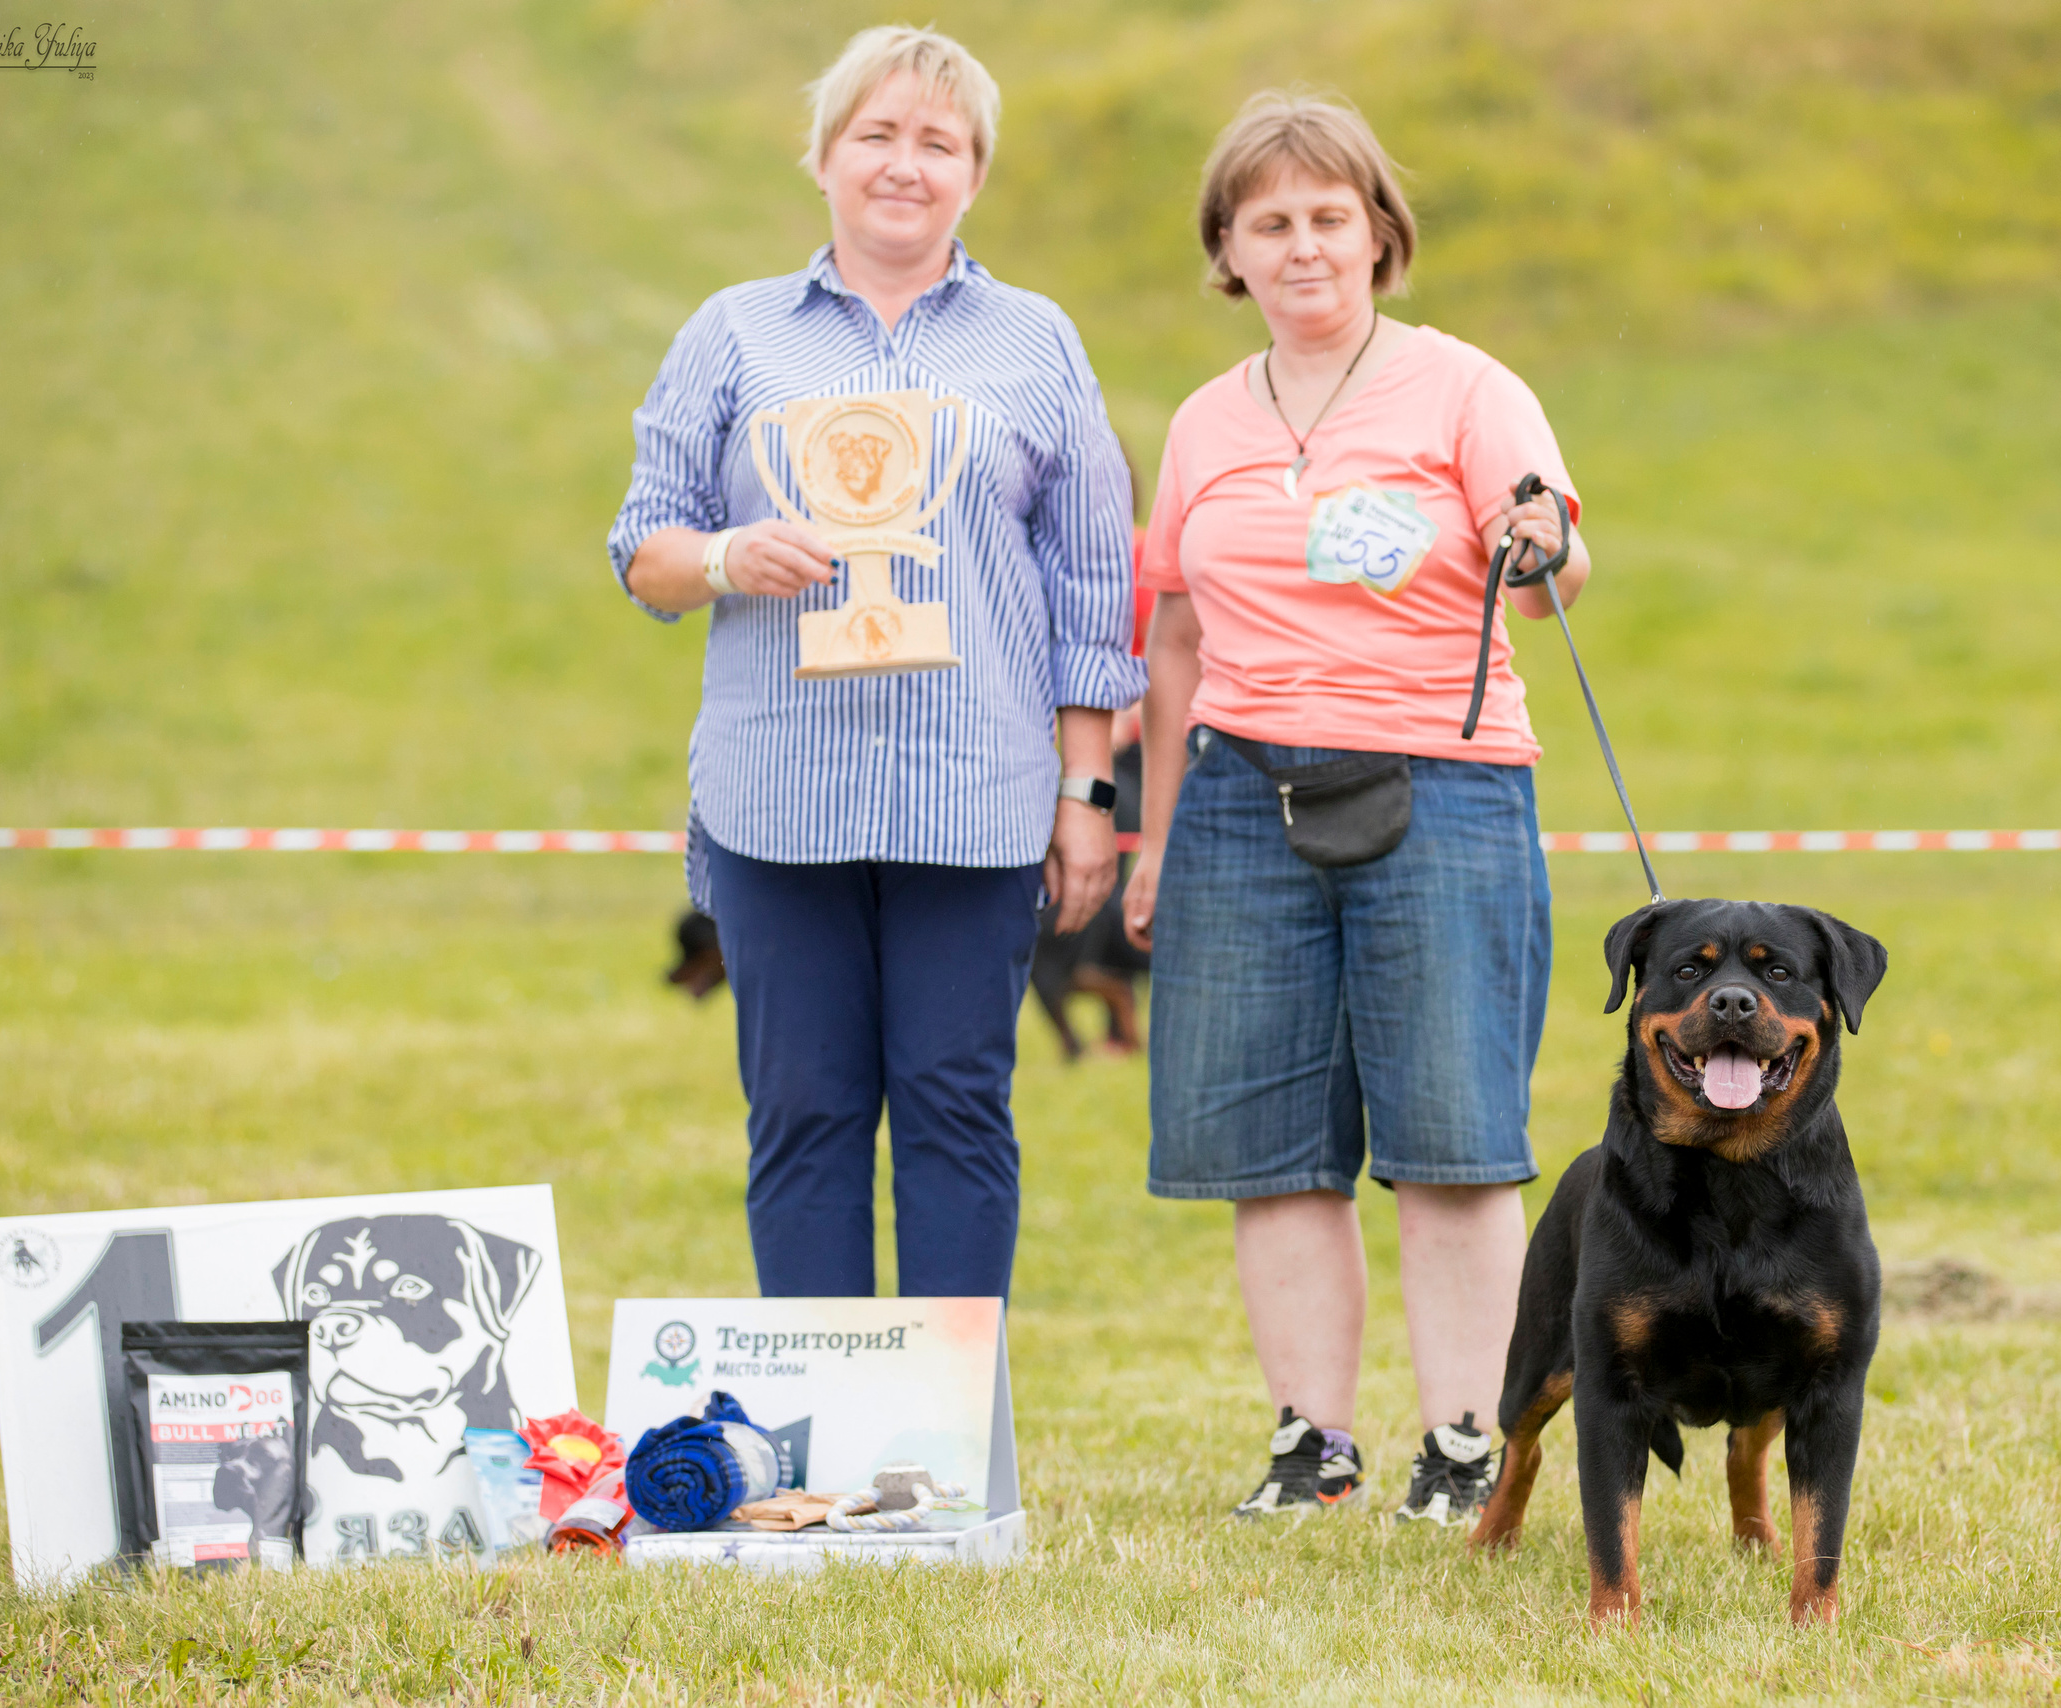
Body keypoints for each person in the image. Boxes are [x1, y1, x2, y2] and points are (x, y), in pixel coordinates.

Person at [607, 27, 1144, 1300]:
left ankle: (945, 1451)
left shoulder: (1034, 340)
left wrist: (1086, 794)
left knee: (959, 1114)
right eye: (877, 136)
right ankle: (821, 1446)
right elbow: (645, 550)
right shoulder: (733, 334)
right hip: (776, 800)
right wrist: (733, 556)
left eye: (938, 144)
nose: (904, 164)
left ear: (973, 174)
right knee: (801, 1115)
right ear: (824, 156)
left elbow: (1088, 585)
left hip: (976, 798)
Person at [1123, 92, 1594, 1527]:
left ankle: (1465, 1447)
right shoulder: (1206, 420)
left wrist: (1538, 542)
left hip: (1439, 795)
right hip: (1236, 804)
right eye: (1272, 222)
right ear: (1229, 250)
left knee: (1454, 1144)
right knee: (1270, 1148)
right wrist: (1152, 830)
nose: (1305, 244)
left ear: (1379, 235)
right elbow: (1176, 644)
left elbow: (1559, 566)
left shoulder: (1464, 386)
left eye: (1331, 216)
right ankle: (1309, 1447)